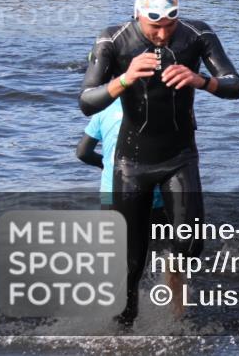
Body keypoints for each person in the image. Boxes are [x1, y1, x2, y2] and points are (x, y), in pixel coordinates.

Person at [79, 0, 239, 325]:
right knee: (131, 262)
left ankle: (173, 271)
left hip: (179, 155)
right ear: (138, 15)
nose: (163, 34)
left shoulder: (197, 35)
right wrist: (124, 79)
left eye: (169, 23)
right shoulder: (113, 40)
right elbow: (86, 102)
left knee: (192, 242)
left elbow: (235, 85)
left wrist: (202, 81)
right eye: (155, 25)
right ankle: (122, 332)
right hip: (131, 162)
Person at [76, 99, 184, 317]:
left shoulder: (104, 109)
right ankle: (177, 313)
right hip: (156, 196)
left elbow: (82, 152)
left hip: (113, 193)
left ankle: (112, 315)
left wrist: (108, 165)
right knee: (172, 254)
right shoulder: (166, 107)